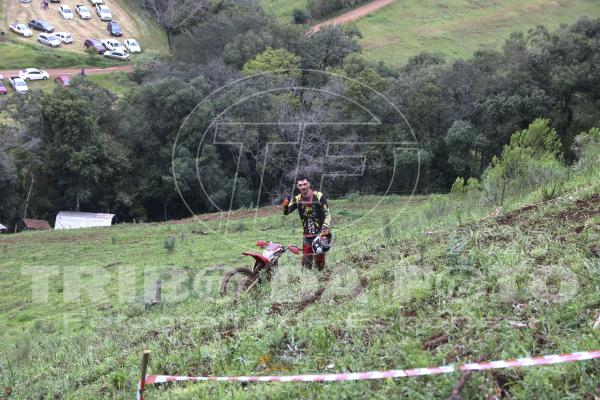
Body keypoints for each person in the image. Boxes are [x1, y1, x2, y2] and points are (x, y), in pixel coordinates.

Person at [282, 174, 332, 270]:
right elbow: (286, 212)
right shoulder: (297, 199)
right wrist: (285, 205)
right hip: (307, 235)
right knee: (305, 265)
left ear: (309, 184)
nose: (303, 187)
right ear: (297, 186)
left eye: (305, 184)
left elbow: (328, 214)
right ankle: (307, 278)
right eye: (300, 185)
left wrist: (324, 228)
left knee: (319, 264)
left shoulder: (318, 196)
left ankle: (322, 277)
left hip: (320, 234)